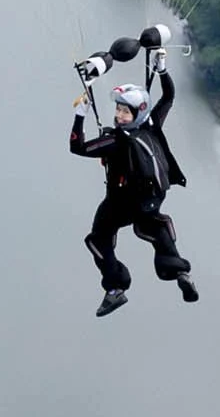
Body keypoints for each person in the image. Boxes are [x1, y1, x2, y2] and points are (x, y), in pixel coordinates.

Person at [69, 49, 196, 316]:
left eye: (123, 111)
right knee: (155, 227)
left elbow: (77, 147)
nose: (118, 115)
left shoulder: (115, 141)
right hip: (150, 201)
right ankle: (180, 272)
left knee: (98, 239)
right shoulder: (151, 125)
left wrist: (80, 114)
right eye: (118, 109)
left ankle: (116, 288)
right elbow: (169, 97)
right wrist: (162, 69)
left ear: (135, 113)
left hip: (120, 204)